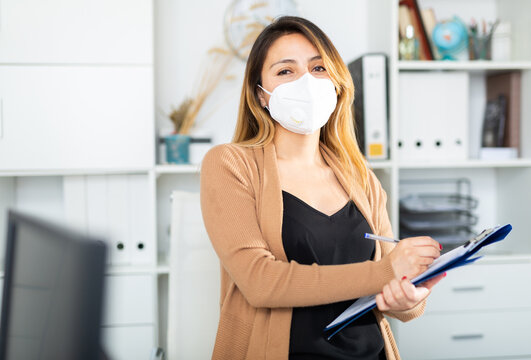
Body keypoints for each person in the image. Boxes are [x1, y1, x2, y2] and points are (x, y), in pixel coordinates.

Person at [200, 16, 444, 360]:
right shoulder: (230, 164)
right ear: (261, 95)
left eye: (318, 68)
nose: (306, 82)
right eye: (286, 71)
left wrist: (410, 298)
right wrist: (384, 273)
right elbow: (259, 282)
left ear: (336, 82)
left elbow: (398, 298)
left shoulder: (361, 176)